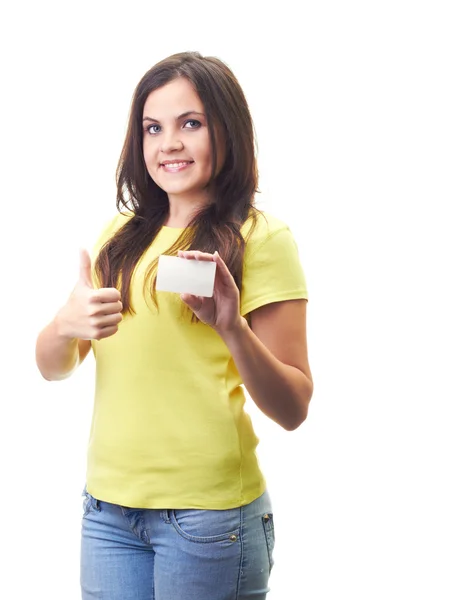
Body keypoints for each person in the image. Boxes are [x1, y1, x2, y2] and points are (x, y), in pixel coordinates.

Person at [35, 51, 314, 600]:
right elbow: (51, 367)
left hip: (208, 522)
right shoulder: (121, 235)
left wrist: (234, 328)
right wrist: (66, 324)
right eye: (152, 128)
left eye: (191, 123)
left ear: (227, 129)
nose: (169, 144)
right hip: (107, 513)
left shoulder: (262, 238)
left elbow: (294, 408)